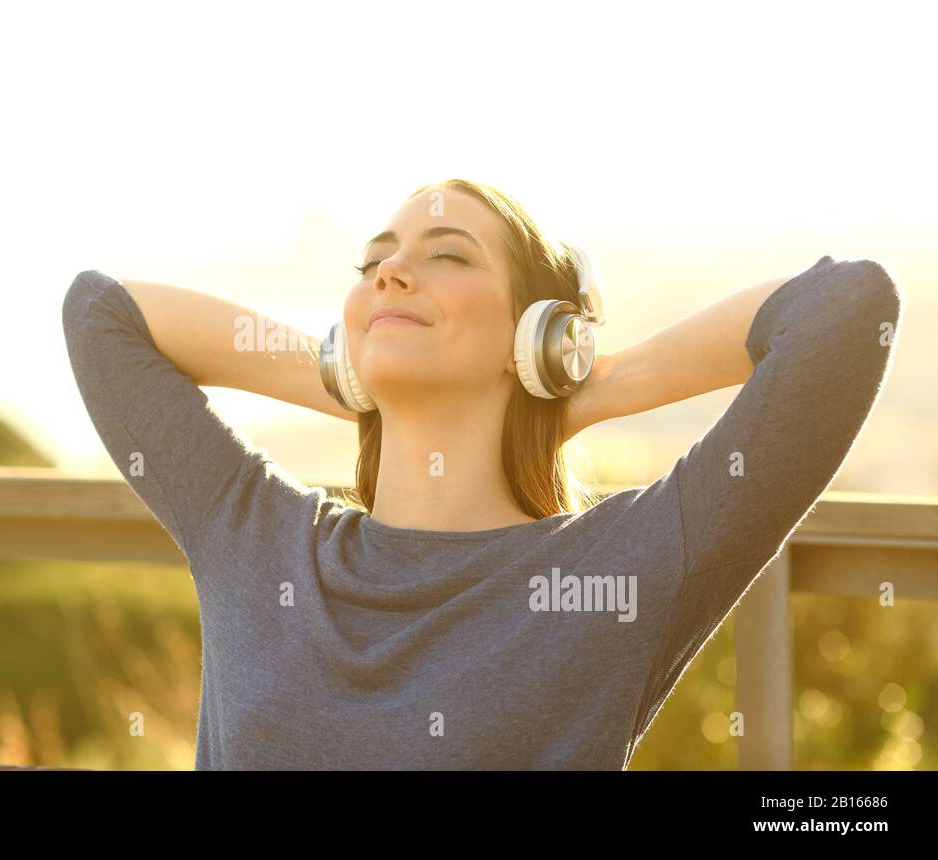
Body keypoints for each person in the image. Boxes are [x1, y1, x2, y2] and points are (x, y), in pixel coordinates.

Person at [61, 178, 903, 770]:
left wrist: (577, 380)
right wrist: (352, 372)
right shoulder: (253, 539)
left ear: (535, 333)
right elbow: (101, 313)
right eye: (375, 263)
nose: (391, 271)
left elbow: (845, 310)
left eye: (449, 257)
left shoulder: (615, 573)